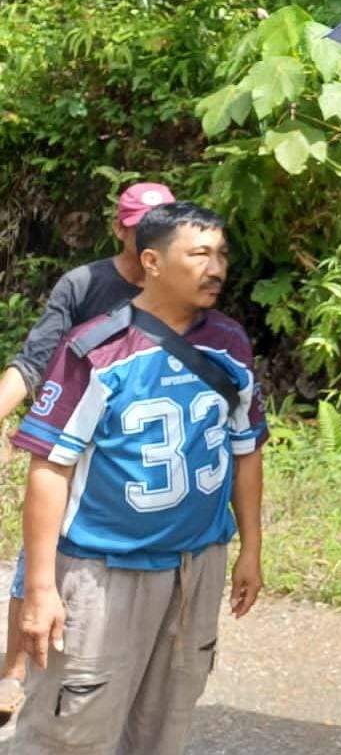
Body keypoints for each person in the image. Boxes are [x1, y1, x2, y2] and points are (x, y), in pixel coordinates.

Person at [9, 202, 267, 754]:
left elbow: (246, 451)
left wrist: (251, 548)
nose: (216, 269)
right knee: (71, 727)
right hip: (102, 574)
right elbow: (50, 468)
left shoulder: (231, 344)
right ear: (151, 261)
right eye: (199, 254)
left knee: (165, 718)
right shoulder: (97, 350)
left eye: (222, 255)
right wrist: (40, 589)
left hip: (195, 568)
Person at [0, 181, 175, 725]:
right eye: (140, 227)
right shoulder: (84, 285)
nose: (150, 236)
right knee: (42, 551)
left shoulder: (182, 287)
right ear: (119, 229)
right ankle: (12, 672)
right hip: (78, 438)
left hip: (141, 448)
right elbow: (35, 360)